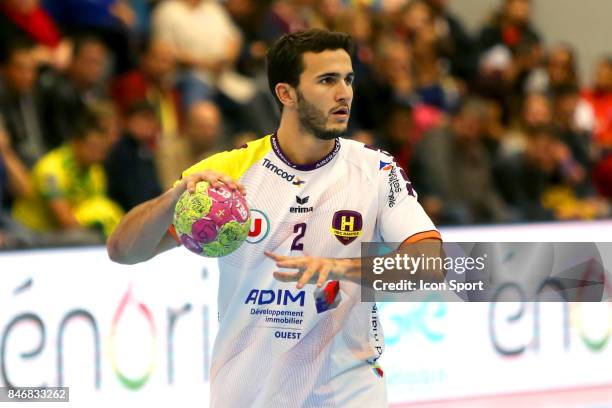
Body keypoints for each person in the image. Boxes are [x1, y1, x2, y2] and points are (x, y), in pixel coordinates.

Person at [107, 29, 441, 407]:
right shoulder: (227, 175)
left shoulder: (375, 170)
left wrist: (341, 267)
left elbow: (429, 265)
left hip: (346, 390)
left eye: (348, 79)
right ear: (286, 93)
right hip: (247, 393)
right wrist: (175, 196)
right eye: (327, 80)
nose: (344, 92)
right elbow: (123, 251)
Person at [12, 112, 123, 238]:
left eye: (104, 149)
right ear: (76, 142)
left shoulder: (95, 171)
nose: (100, 153)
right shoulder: (51, 171)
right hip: (31, 235)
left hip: (62, 234)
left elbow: (92, 210)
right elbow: (66, 222)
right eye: (94, 146)